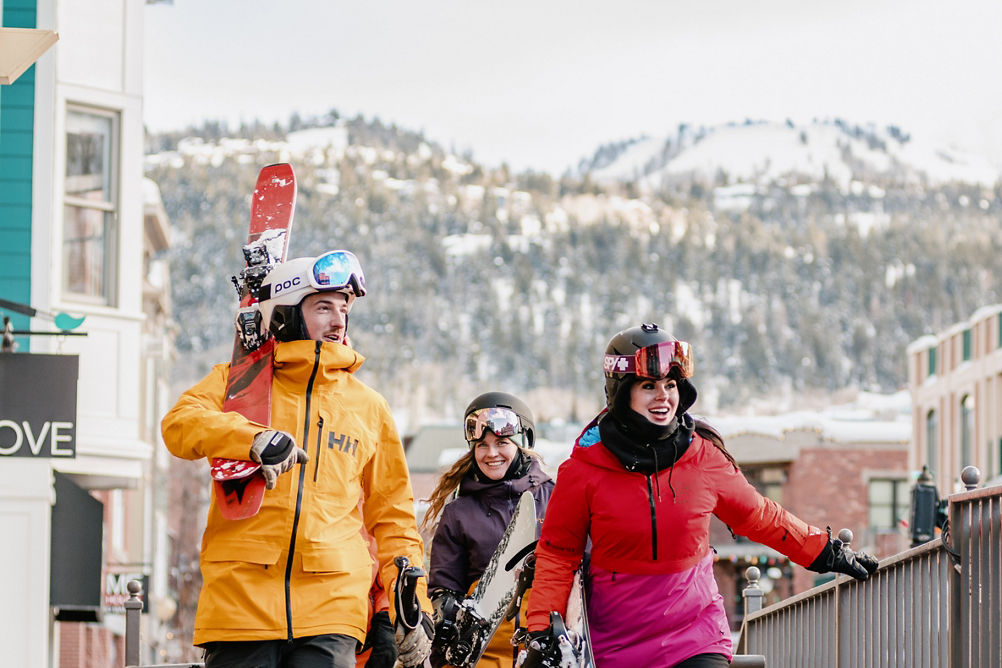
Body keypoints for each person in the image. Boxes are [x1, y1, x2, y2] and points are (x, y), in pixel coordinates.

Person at [523, 323, 878, 668]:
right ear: (621, 391)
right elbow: (557, 557)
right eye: (649, 385)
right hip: (614, 644)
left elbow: (760, 516)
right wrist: (539, 629)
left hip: (694, 636)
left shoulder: (703, 456)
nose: (664, 396)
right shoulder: (583, 470)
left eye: (671, 385)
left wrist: (824, 550)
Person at [161, 250, 434, 668]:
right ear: (286, 312)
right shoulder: (237, 383)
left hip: (332, 609)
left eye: (344, 307)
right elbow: (179, 426)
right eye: (323, 306)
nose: (338, 319)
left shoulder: (369, 407)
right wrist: (251, 439)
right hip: (239, 604)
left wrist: (411, 605)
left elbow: (393, 517)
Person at [422, 392, 555, 668]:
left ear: (522, 443)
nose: (491, 453)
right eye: (482, 445)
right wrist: (445, 611)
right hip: (486, 655)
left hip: (543, 649)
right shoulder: (459, 513)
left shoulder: (554, 499)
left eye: (502, 442)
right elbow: (444, 584)